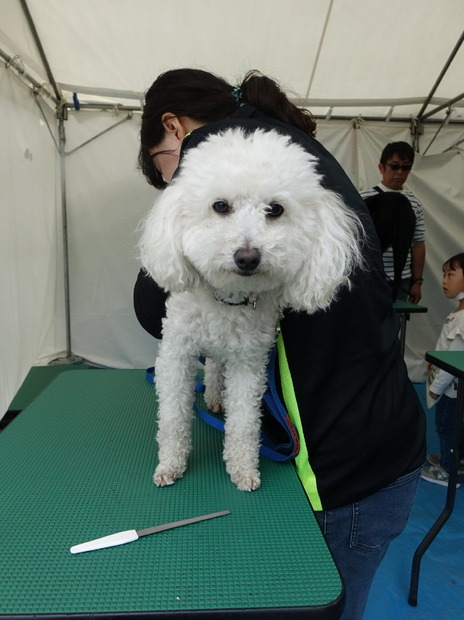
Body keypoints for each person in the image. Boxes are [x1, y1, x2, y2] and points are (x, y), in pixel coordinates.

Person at [134, 68, 425, 620]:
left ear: (173, 130)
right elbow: (164, 312)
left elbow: (148, 307)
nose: (249, 246)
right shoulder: (295, 148)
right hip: (379, 445)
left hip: (349, 476)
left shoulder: (248, 165)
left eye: (161, 168)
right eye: (221, 208)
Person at [360, 141, 426, 303]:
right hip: (369, 276)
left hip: (402, 279)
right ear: (381, 167)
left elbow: (418, 244)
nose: (399, 173)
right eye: (394, 166)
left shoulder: (414, 203)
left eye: (406, 167)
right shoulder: (363, 198)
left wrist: (417, 282)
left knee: (395, 324)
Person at [422, 253, 464, 487]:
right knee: (456, 426)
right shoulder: (459, 312)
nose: (444, 280)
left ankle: (448, 470)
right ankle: (456, 459)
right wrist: (435, 360)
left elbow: (454, 359)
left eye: (451, 274)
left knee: (446, 426)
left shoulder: (462, 318)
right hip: (455, 387)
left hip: (452, 390)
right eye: (444, 274)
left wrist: (436, 388)